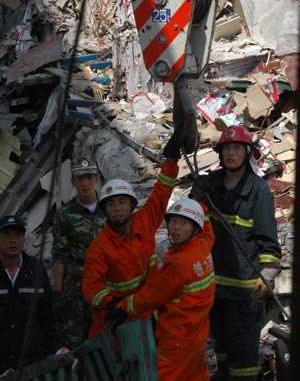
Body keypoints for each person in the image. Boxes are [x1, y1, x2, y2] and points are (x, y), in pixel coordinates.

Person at [189, 125, 282, 381]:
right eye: (227, 148)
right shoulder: (213, 186)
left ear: (247, 152)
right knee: (221, 354)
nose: (231, 153)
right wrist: (195, 197)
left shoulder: (257, 190)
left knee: (243, 360)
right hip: (214, 290)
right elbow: (189, 226)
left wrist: (266, 277)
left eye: (236, 148)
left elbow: (270, 246)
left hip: (244, 292)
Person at [82, 127, 183, 336]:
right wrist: (112, 303)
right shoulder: (99, 248)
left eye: (121, 202)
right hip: (118, 323)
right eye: (111, 205)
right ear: (105, 210)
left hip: (148, 314)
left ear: (131, 205)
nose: (117, 208)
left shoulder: (144, 221)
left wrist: (171, 162)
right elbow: (91, 288)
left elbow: (162, 192)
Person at [111, 198, 215, 381]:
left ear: (194, 229)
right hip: (197, 336)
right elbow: (208, 232)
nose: (176, 228)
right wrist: (202, 205)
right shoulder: (203, 247)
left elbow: (153, 295)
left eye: (183, 223)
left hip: (176, 340)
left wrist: (124, 307)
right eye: (173, 221)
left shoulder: (179, 263)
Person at [51, 155, 106, 349]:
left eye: (89, 178)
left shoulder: (109, 210)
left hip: (105, 283)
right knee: (75, 338)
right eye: (80, 179)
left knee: (106, 335)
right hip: (76, 286)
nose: (85, 183)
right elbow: (59, 254)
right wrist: (58, 290)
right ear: (73, 181)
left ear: (96, 179)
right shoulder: (65, 215)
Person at [0, 215, 59, 375]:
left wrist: (51, 351)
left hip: (32, 361)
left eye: (17, 235)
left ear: (23, 239)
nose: (12, 240)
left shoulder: (36, 270)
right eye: (7, 235)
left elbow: (47, 315)